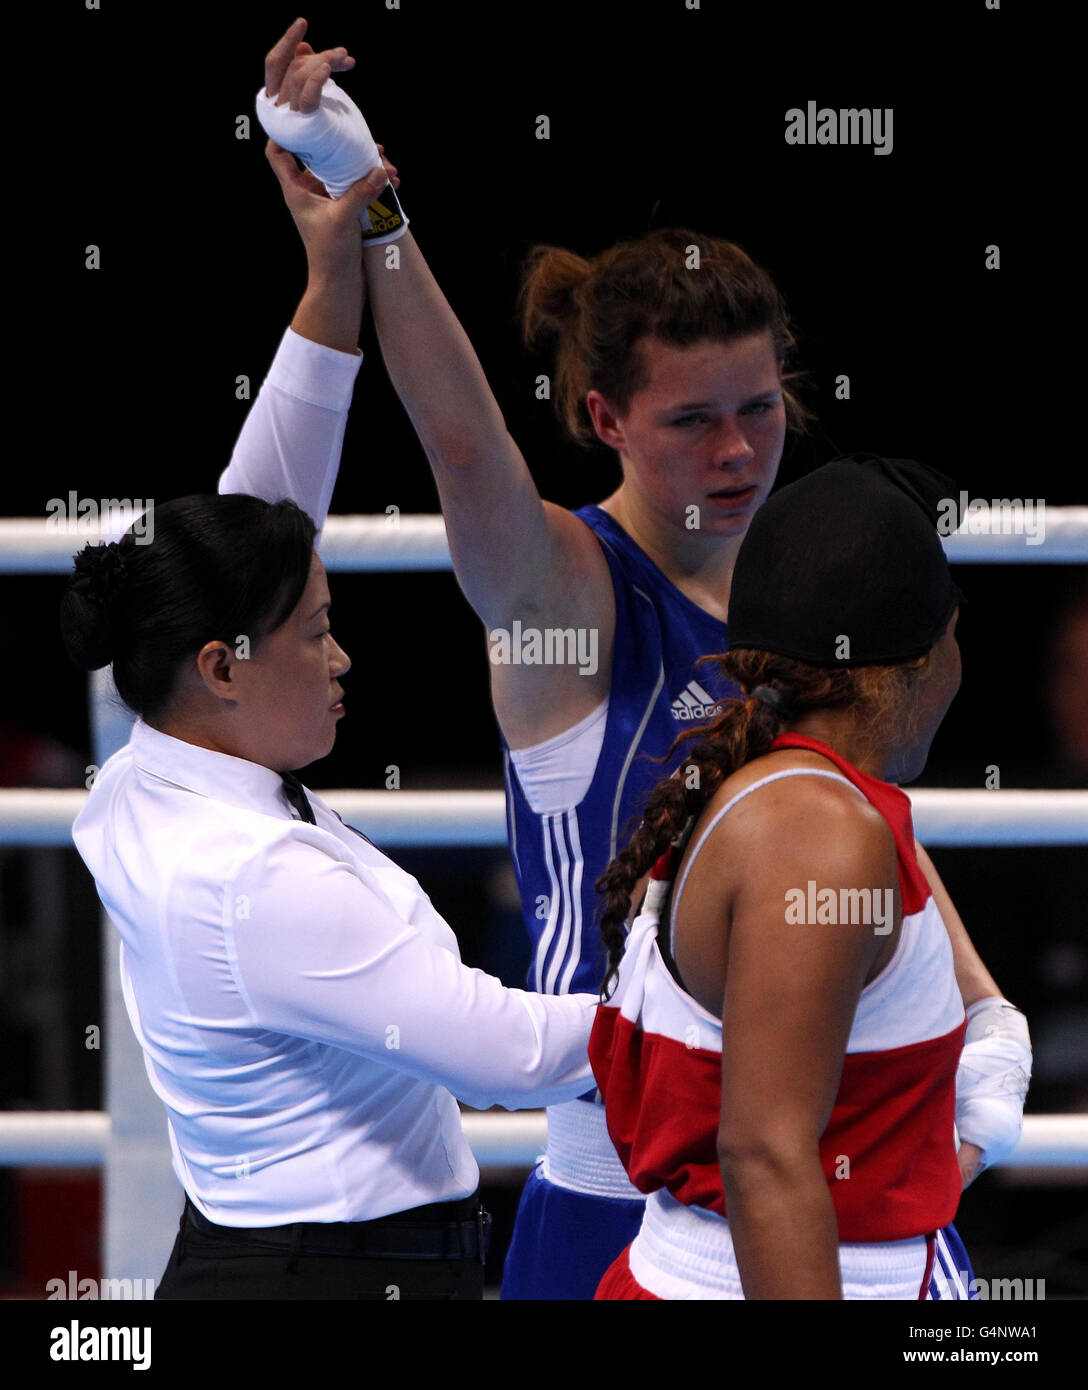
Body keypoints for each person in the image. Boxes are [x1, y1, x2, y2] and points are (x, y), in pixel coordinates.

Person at [234, 18, 1029, 1299]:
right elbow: (463, 441)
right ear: (604, 418)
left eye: (759, 409)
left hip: (857, 1176)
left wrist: (980, 1014)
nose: (737, 452)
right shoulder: (568, 594)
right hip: (627, 1184)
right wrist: (375, 211)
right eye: (693, 420)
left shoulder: (814, 571)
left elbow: (858, 814)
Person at [60, 493, 598, 1301]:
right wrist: (690, 1009)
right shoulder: (254, 873)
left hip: (261, 1257)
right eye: (315, 633)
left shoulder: (140, 779)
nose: (341, 657)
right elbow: (508, 1058)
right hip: (337, 1275)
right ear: (221, 666)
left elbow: (208, 548)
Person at [589, 455, 1032, 1299]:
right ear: (924, 656)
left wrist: (992, 1045)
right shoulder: (816, 834)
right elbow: (763, 1154)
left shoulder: (798, 792)